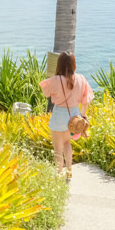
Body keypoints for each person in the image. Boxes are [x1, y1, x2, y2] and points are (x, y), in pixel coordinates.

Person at [39, 52, 94, 180]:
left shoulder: (56, 80)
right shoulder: (81, 78)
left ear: (60, 64)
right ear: (73, 64)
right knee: (67, 143)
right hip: (74, 116)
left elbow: (44, 88)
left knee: (58, 148)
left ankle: (58, 174)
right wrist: (83, 116)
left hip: (59, 114)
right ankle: (69, 171)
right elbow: (86, 99)